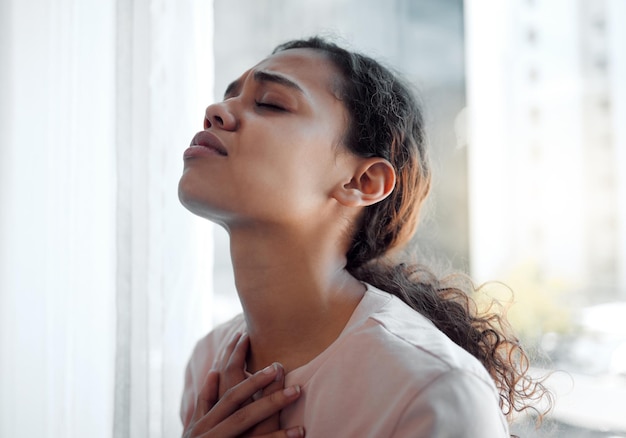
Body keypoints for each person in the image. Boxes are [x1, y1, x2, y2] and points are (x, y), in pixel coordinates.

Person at [178, 36, 548, 437]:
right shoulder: (208, 364)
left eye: (270, 103)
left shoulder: (434, 390)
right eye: (228, 96)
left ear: (363, 181)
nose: (216, 111)